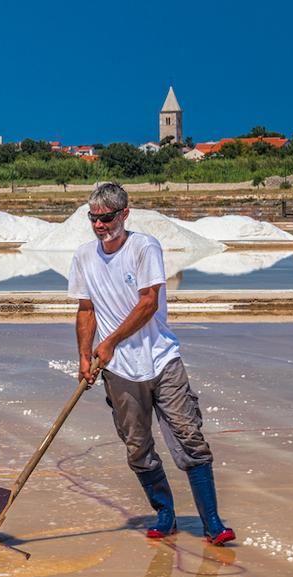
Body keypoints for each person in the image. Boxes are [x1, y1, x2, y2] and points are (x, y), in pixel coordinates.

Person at [67, 183, 235, 545]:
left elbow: (147, 303)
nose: (99, 225)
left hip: (161, 359)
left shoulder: (144, 248)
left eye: (106, 218)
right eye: (93, 218)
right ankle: (165, 513)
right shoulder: (83, 256)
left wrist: (109, 341)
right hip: (119, 371)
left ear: (124, 214)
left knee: (189, 437)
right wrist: (85, 355)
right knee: (137, 446)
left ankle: (213, 524)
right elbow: (86, 309)